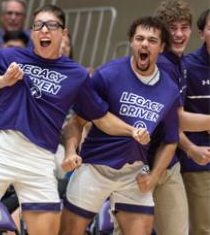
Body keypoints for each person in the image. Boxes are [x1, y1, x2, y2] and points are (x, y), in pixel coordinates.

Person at [0, 4, 150, 235]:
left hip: (39, 159)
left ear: (64, 33)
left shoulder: (77, 75)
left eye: (51, 25)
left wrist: (131, 131)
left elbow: (101, 118)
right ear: (32, 32)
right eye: (38, 25)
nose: (44, 30)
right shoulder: (10, 56)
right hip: (1, 150)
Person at [59, 16, 180, 235]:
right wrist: (70, 150)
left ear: (161, 48)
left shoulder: (170, 90)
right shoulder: (108, 75)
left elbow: (170, 141)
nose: (144, 44)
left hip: (134, 172)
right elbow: (76, 121)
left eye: (152, 40)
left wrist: (153, 177)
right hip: (95, 166)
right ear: (131, 43)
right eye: (139, 38)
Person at [146, 0, 210, 235]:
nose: (179, 34)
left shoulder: (178, 63)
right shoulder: (162, 64)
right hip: (145, 160)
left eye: (184, 27)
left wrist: (190, 147)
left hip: (169, 161)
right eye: (172, 28)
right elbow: (174, 118)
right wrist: (192, 147)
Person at [181, 8, 210, 235]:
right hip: (200, 163)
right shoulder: (187, 67)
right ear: (202, 33)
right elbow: (175, 119)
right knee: (202, 229)